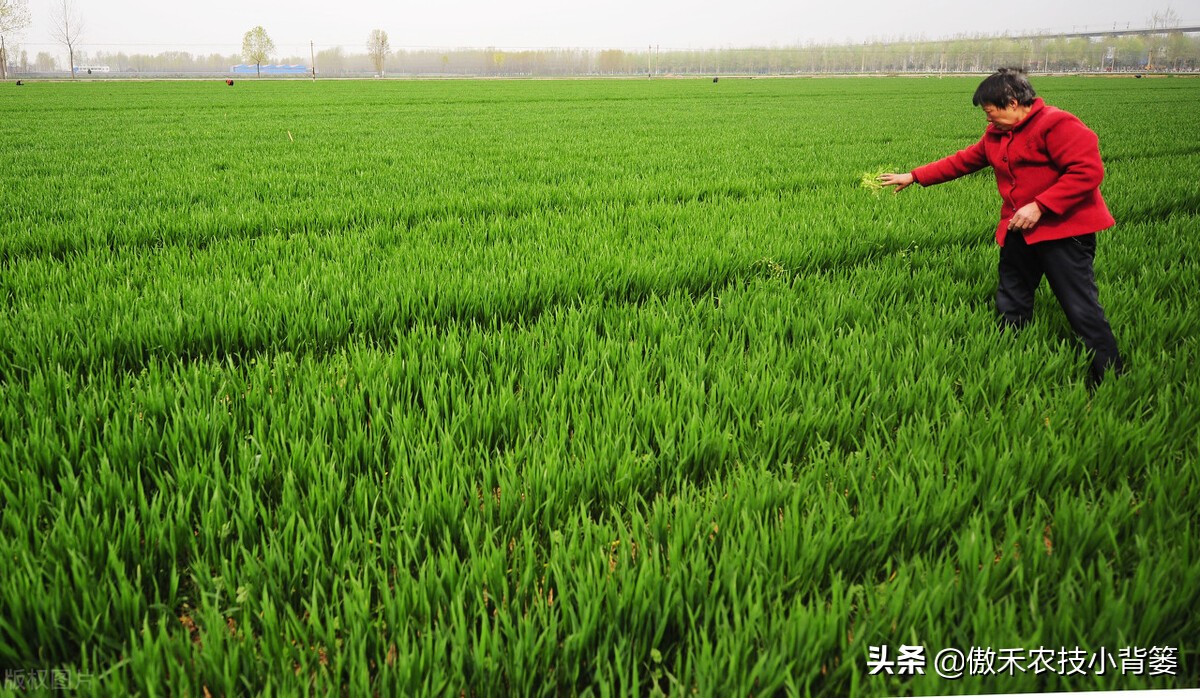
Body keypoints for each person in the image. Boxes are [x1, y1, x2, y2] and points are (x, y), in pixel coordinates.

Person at [879, 68, 1124, 388]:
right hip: (1019, 229)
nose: (987, 119)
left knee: (1079, 305)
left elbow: (1087, 172)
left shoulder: (1058, 124)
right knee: (1012, 295)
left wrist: (1041, 205)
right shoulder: (997, 134)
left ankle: (1109, 374)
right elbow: (963, 161)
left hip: (1063, 232)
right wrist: (914, 176)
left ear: (1012, 102)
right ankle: (1010, 354)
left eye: (990, 111)